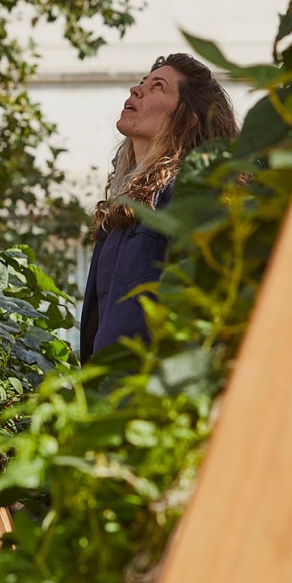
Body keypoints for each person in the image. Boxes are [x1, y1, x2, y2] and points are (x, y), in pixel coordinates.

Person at [80, 53, 238, 362]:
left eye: (158, 87)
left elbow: (203, 312)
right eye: (141, 83)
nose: (135, 90)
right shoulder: (118, 217)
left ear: (187, 119)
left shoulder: (187, 198)